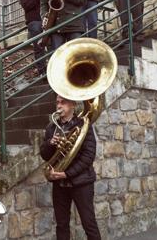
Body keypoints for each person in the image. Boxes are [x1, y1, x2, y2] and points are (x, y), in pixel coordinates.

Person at [40, 94, 101, 240]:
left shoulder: (83, 124)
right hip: (59, 184)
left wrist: (67, 173)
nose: (59, 106)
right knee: (61, 225)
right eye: (57, 103)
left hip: (81, 182)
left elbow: (88, 156)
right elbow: (44, 155)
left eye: (63, 102)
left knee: (88, 223)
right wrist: (50, 143)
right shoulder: (51, 128)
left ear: (73, 104)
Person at [19, 0, 46, 76]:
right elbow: (27, 6)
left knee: (48, 44)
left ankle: (48, 69)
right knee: (38, 47)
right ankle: (41, 71)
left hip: (44, 20)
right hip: (33, 22)